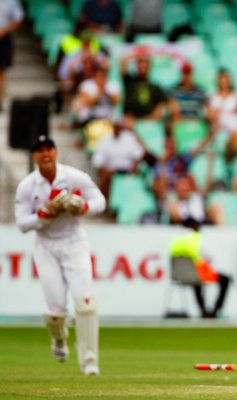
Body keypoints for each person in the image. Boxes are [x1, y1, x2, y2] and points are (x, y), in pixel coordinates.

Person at [14, 135, 106, 375]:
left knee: (85, 303)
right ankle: (59, 339)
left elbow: (100, 201)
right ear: (34, 156)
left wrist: (82, 206)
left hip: (74, 242)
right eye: (40, 151)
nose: (45, 154)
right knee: (55, 312)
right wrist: (44, 214)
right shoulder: (28, 186)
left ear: (55, 152)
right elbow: (22, 224)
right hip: (46, 247)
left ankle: (89, 362)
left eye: (49, 149)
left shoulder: (75, 177)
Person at [169, 217, 231, 318]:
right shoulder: (196, 238)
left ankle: (203, 310)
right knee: (225, 279)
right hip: (196, 275)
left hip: (178, 276)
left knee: (196, 280)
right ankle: (216, 310)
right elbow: (209, 257)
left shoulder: (176, 240)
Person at [0, 0, 24, 111]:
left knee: (1, 71)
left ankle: (0, 100)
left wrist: (4, 31)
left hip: (3, 38)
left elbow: (18, 19)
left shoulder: (11, 1)